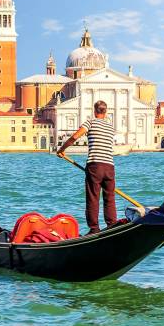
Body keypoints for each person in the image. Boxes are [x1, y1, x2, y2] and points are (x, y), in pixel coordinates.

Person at [57, 100, 117, 235]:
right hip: (109, 166)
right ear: (105, 112)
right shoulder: (110, 127)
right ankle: (112, 225)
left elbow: (74, 137)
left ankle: (94, 228)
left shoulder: (90, 122)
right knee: (110, 198)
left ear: (94, 111)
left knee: (93, 198)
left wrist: (62, 149)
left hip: (95, 165)